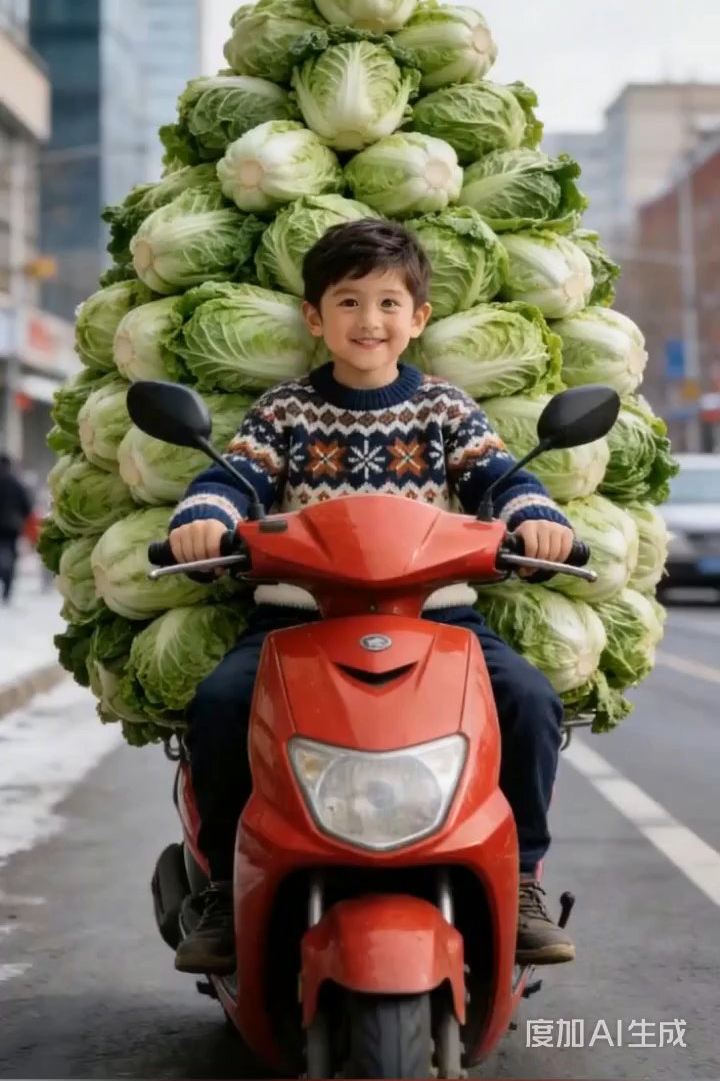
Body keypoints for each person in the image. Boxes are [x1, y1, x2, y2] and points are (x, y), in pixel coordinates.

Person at [167, 218, 577, 976]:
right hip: (297, 623)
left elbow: (503, 477)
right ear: (315, 319)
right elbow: (233, 478)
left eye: (389, 303)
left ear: (418, 319)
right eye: (348, 303)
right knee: (221, 704)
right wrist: (205, 518)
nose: (369, 320)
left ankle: (521, 879)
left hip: (438, 620)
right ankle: (227, 885)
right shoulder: (284, 411)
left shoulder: (447, 410)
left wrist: (537, 516)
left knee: (528, 698)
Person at [0, 454, 32, 604]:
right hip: (12, 526)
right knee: (11, 556)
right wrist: (22, 518)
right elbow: (27, 505)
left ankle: (3, 574)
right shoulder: (16, 483)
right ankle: (7, 587)